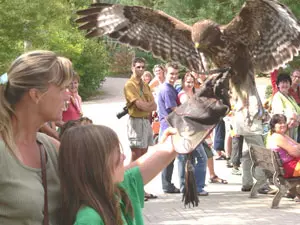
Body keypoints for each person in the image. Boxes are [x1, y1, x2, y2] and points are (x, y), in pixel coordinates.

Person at [0, 50, 73, 224]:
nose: (68, 94)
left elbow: (108, 181)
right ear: (36, 95)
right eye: (62, 88)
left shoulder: (52, 147)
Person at [59, 124, 184, 225]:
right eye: (117, 153)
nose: (124, 157)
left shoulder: (116, 190)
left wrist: (175, 140)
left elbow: (165, 153)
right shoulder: (89, 218)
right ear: (96, 163)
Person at [123, 57, 157, 199]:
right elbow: (140, 105)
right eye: (138, 67)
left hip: (145, 121)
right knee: (137, 156)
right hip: (136, 121)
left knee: (144, 155)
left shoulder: (144, 84)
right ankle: (130, 188)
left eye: (143, 67)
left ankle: (139, 188)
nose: (141, 70)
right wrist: (146, 105)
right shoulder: (130, 85)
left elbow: (154, 105)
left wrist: (147, 105)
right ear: (132, 67)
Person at [177, 72, 208, 196]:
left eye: (191, 82)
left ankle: (187, 187)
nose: (189, 84)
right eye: (187, 82)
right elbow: (188, 109)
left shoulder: (194, 92)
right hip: (187, 130)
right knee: (198, 158)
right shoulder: (183, 95)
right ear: (183, 82)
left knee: (187, 159)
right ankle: (195, 187)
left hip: (195, 129)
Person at [157, 62, 182, 193]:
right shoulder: (167, 89)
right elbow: (174, 109)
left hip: (169, 126)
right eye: (171, 73)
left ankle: (167, 184)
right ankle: (167, 185)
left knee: (170, 158)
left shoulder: (169, 87)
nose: (174, 76)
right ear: (165, 73)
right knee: (168, 158)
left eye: (176, 74)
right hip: (169, 127)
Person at [271, 72, 300, 141]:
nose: (285, 85)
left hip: (293, 129)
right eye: (282, 83)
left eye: (287, 82)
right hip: (284, 130)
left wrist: (297, 119)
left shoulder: (290, 97)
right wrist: (292, 118)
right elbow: (278, 115)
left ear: (290, 84)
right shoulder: (277, 96)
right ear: (278, 85)